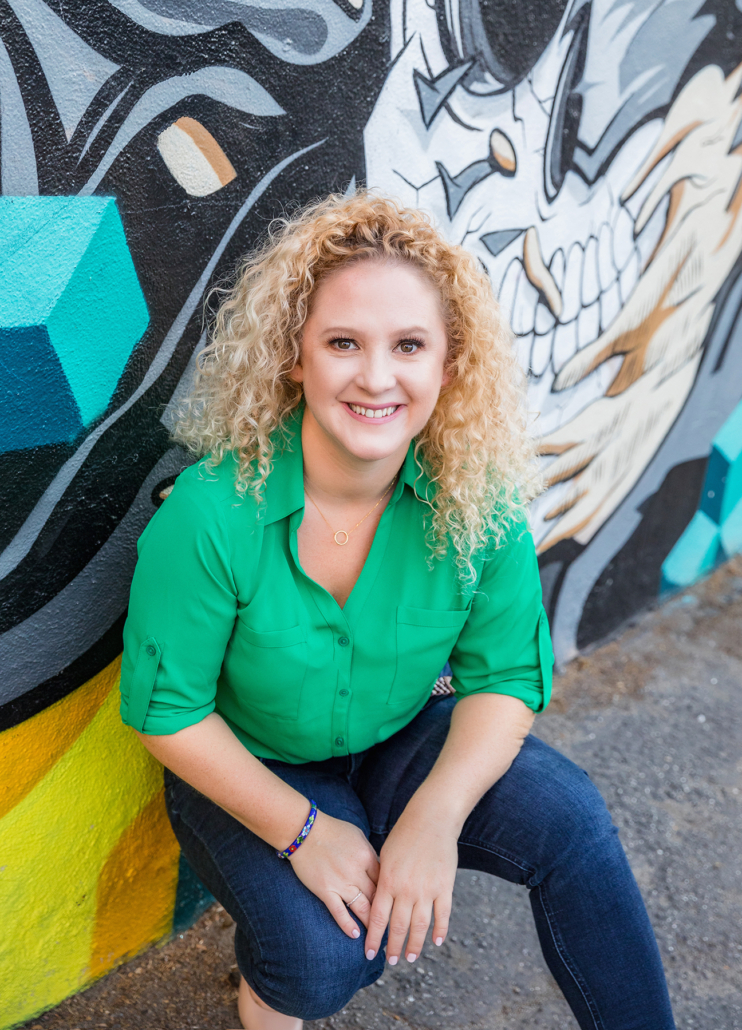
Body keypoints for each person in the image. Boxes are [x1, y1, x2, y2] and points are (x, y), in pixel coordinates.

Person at [119, 192, 676, 1030]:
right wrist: (305, 833)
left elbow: (506, 678)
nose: (377, 377)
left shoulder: (475, 506)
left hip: (403, 737)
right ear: (293, 358)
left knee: (573, 823)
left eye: (409, 346)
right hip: (251, 763)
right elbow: (166, 713)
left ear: (448, 366)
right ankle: (270, 989)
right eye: (343, 343)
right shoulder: (209, 515)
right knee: (324, 956)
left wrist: (433, 818)